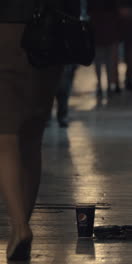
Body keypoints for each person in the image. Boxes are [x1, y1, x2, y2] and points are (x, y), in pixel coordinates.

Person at [0, 1, 63, 261]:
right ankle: (20, 229)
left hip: (8, 29)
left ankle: (20, 227)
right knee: (31, 138)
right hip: (53, 32)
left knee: (5, 135)